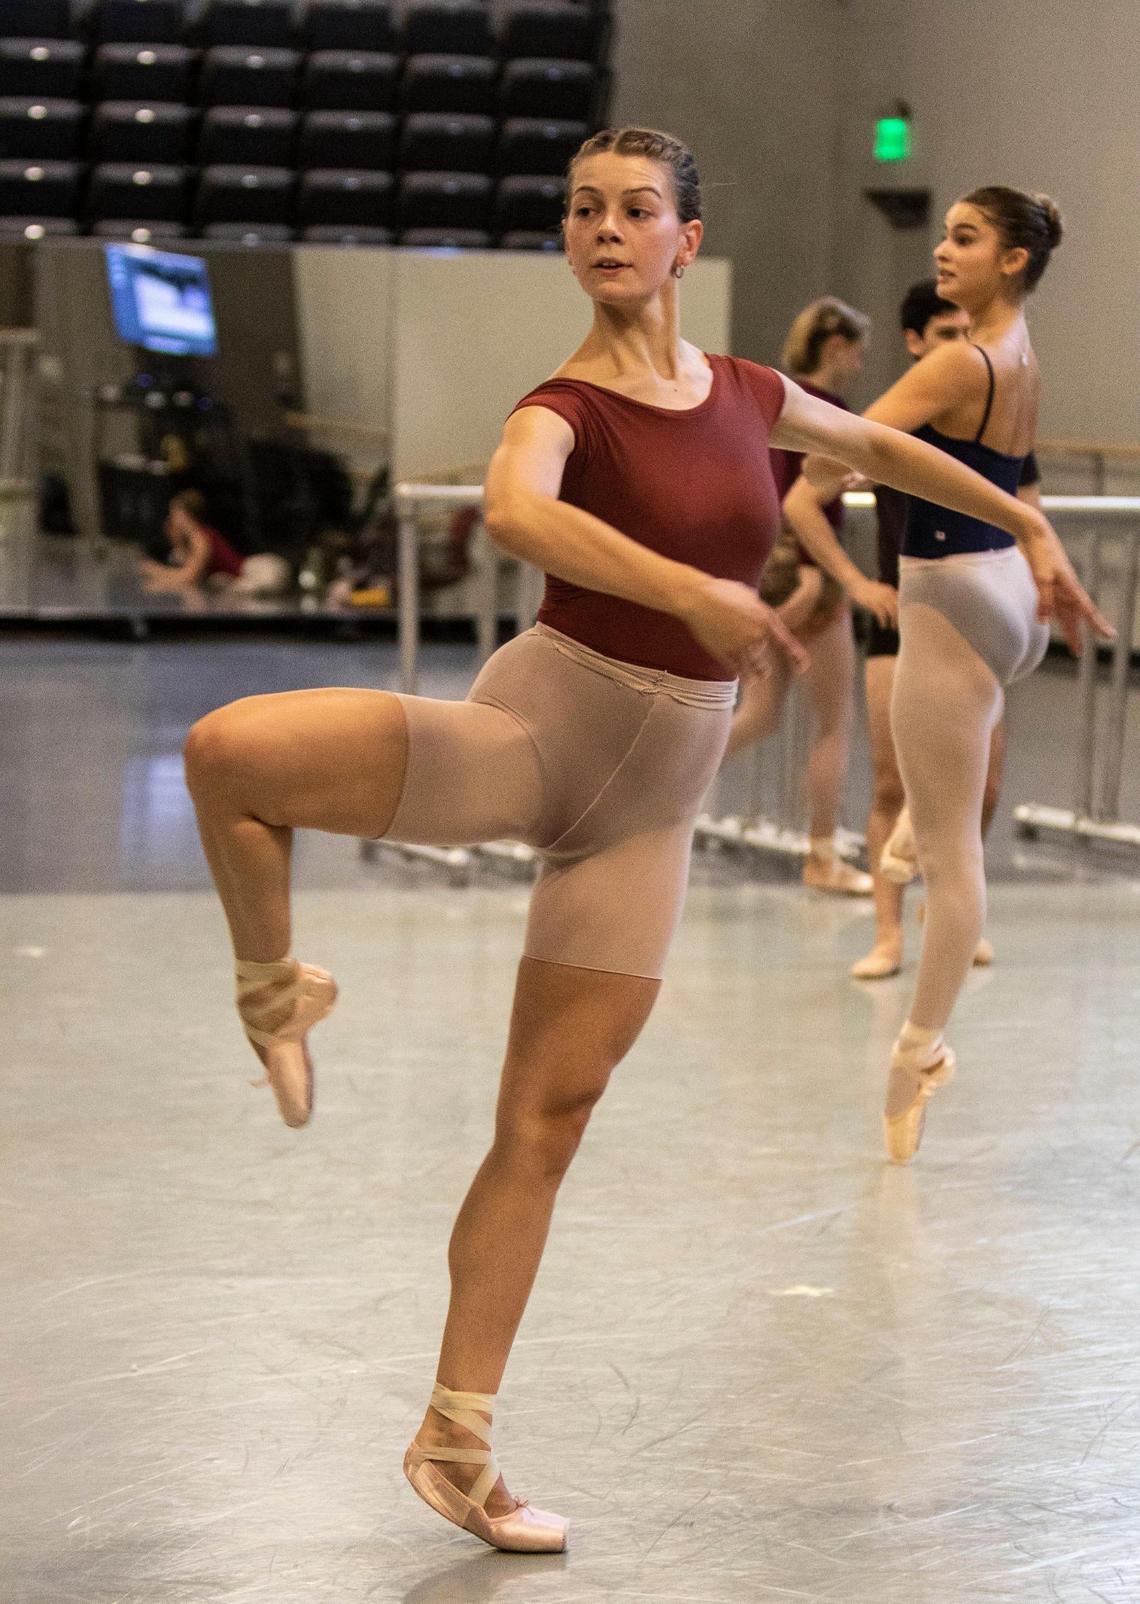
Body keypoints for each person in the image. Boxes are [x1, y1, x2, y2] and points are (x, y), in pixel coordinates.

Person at [183, 134, 1104, 1551]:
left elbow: (880, 447)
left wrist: (1028, 529)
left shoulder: (747, 394)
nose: (606, 231)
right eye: (583, 211)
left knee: (543, 1130)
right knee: (229, 754)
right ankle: (270, 988)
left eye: (636, 211)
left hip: (646, 817)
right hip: (535, 746)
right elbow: (514, 508)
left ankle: (456, 1441)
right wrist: (691, 589)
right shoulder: (562, 407)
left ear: (687, 241)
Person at [787, 189, 1113, 1163]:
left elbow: (829, 462)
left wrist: (818, 460)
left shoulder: (952, 362)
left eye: (965, 237)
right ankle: (899, 854)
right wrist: (1037, 539)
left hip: (948, 605)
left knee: (954, 860)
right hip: (1005, 599)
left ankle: (918, 1049)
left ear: (1012, 259)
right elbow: (1015, 482)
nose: (942, 248)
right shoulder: (1020, 354)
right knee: (933, 810)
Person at [784, 280, 1043, 978]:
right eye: (947, 337)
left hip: (979, 619)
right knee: (895, 785)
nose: (962, 351)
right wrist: (857, 582)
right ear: (916, 343)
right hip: (906, 614)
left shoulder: (997, 408)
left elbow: (1028, 511)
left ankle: (950, 911)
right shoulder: (900, 417)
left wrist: (1031, 591)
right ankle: (889, 934)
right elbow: (805, 495)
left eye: (969, 336)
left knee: (980, 786)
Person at [723, 297, 875, 895]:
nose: (860, 364)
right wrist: (817, 571)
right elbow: (808, 496)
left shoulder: (776, 400)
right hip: (810, 569)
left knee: (758, 715)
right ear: (836, 346)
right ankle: (820, 853)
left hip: (769, 566)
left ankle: (663, 799)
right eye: (857, 351)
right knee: (833, 724)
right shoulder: (827, 409)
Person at [138, 490, 290, 596]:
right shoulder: (192, 541)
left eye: (175, 514)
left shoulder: (200, 538)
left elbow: (189, 577)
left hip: (260, 572)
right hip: (245, 578)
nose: (172, 520)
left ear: (185, 515)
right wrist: (176, 541)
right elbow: (188, 569)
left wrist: (155, 572)